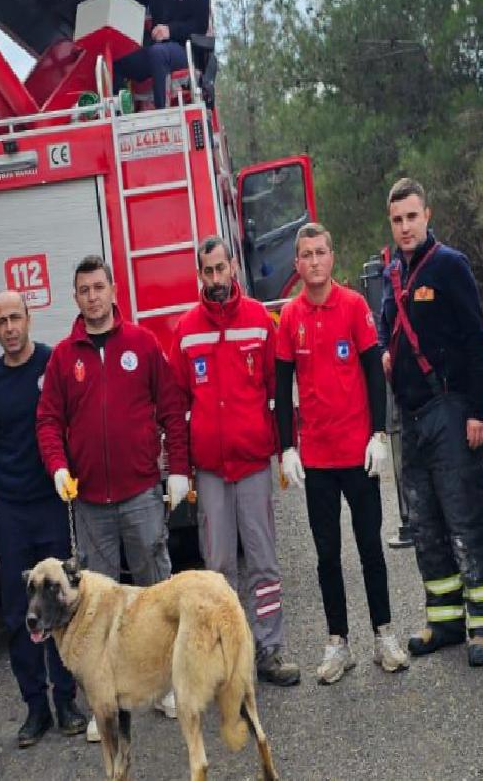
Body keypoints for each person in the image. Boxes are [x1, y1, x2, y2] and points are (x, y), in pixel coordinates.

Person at [36, 254, 189, 735]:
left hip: (141, 492)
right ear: (76, 297)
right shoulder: (64, 357)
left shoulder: (142, 344)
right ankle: (104, 702)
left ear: (113, 290)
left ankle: (167, 684)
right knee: (95, 608)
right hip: (90, 504)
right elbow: (48, 421)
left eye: (99, 287)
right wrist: (59, 467)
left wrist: (177, 471)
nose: (93, 297)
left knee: (155, 592)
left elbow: (172, 409)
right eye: (84, 290)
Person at [378, 179, 483, 668]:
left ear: (427, 215)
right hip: (411, 419)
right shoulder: (392, 273)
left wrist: (478, 412)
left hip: (450, 411)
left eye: (412, 217)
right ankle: (446, 620)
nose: (405, 227)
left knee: (466, 519)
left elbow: (476, 342)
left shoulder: (450, 265)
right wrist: (387, 353)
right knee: (426, 524)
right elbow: (388, 329)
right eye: (397, 220)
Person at [275, 223, 409, 685]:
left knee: (370, 546)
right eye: (306, 255)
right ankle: (338, 642)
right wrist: (287, 446)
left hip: (358, 454)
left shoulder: (353, 306)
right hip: (317, 460)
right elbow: (281, 386)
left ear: (332, 258)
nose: (314, 261)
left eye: (320, 252)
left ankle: (384, 634)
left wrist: (378, 434)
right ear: (297, 264)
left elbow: (374, 373)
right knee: (327, 554)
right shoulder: (289, 318)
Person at [169, 236, 301, 687]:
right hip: (210, 470)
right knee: (218, 568)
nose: (216, 278)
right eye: (207, 271)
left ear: (233, 268)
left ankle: (269, 650)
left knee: (263, 563)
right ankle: (227, 657)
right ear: (200, 275)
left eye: (221, 268)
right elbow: (176, 406)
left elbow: (277, 392)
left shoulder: (260, 321)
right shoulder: (186, 330)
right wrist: (179, 469)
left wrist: (286, 449)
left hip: (252, 465)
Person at [0, 290, 89, 747]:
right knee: (19, 612)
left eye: (15, 318)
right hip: (11, 513)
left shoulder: (52, 362)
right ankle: (35, 708)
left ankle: (67, 701)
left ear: (29, 318)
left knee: (60, 605)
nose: (9, 328)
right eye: (0, 321)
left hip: (51, 505)